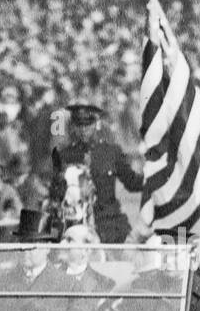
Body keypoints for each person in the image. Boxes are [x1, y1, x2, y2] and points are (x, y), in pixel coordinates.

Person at [53, 103, 142, 243]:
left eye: (88, 125)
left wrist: (158, 177)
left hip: (109, 224)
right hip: (76, 226)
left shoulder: (111, 152)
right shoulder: (64, 156)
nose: (83, 130)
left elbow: (132, 182)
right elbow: (56, 192)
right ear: (73, 127)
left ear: (97, 124)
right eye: (79, 125)